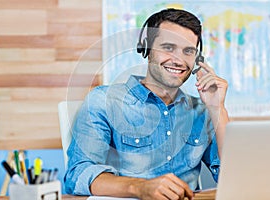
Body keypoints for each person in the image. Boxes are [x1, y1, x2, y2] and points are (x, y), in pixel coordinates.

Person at [65, 8, 229, 200]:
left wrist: (219, 108)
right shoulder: (103, 101)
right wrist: (140, 188)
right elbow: (77, 175)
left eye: (188, 51)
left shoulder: (202, 111)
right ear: (146, 49)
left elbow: (236, 177)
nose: (178, 60)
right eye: (168, 47)